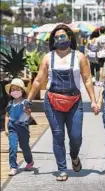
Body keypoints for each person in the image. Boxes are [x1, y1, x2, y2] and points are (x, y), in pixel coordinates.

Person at [24, 24, 99, 181]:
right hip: (52, 101)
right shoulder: (47, 58)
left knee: (76, 136)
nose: (59, 39)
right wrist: (28, 100)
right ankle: (62, 169)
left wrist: (93, 101)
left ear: (69, 38)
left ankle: (74, 156)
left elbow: (87, 79)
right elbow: (38, 81)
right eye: (56, 37)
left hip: (74, 101)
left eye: (62, 36)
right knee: (58, 135)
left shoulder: (80, 57)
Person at [4, 78, 34, 176]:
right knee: (12, 147)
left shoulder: (25, 102)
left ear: (22, 91)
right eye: (13, 89)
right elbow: (7, 115)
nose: (15, 91)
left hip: (23, 127)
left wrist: (27, 111)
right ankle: (13, 166)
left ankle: (29, 161)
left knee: (24, 147)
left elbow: (29, 114)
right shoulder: (10, 104)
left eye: (17, 89)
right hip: (12, 127)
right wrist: (6, 128)